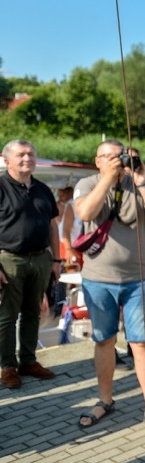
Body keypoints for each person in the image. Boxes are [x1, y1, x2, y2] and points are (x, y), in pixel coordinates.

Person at [74, 139, 145, 433]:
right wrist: (108, 177)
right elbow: (85, 213)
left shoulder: (142, 182)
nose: (115, 161)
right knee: (104, 340)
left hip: (138, 279)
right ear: (97, 161)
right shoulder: (88, 182)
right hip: (98, 279)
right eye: (107, 157)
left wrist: (142, 178)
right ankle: (105, 400)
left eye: (118, 156)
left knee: (142, 343)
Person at [0, 139, 60, 389]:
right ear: (7, 160)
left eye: (31, 155)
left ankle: (28, 360)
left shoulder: (43, 189)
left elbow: (53, 225)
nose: (28, 159)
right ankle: (7, 366)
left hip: (41, 259)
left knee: (33, 313)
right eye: (21, 155)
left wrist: (57, 259)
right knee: (6, 317)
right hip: (9, 259)